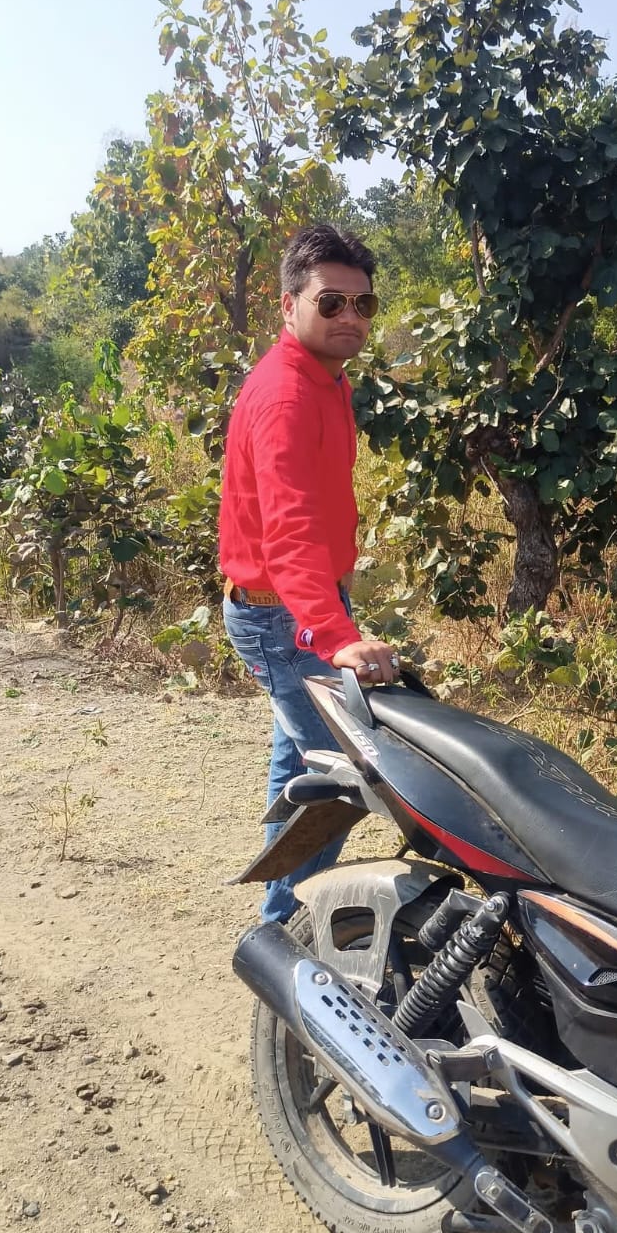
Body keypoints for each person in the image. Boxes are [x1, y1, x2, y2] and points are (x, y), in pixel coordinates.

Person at [218, 222, 399, 922]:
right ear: (289, 305)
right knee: (341, 778)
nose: (350, 317)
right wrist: (335, 633)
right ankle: (287, 933)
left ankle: (277, 924)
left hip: (303, 605)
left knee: (301, 771)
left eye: (363, 304)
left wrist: (332, 613)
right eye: (331, 303)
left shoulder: (328, 380)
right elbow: (287, 528)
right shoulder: (287, 396)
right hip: (281, 615)